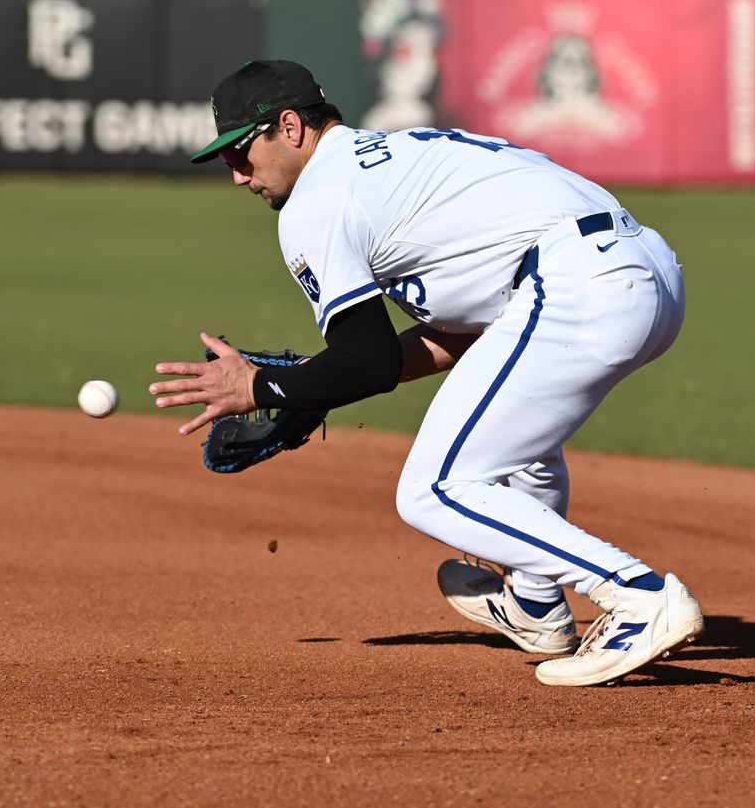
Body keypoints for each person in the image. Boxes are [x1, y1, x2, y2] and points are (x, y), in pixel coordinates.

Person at [149, 59, 703, 686]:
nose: (238, 175)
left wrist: (265, 387)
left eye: (242, 153)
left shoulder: (317, 201)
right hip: (642, 274)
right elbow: (452, 338)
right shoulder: (398, 158)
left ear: (290, 126)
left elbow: (369, 360)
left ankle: (639, 597)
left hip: (577, 283)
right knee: (516, 447)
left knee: (433, 490)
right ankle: (536, 602)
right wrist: (311, 386)